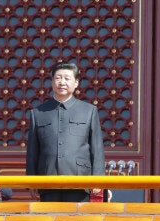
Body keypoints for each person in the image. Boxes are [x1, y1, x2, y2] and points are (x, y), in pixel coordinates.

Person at [26, 62, 105, 202]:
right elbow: (33, 151)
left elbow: (97, 148)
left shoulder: (89, 111)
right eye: (58, 78)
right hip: (48, 180)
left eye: (67, 78)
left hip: (80, 180)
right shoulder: (38, 113)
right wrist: (31, 181)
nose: (62, 82)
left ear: (76, 83)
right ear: (52, 82)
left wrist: (98, 179)